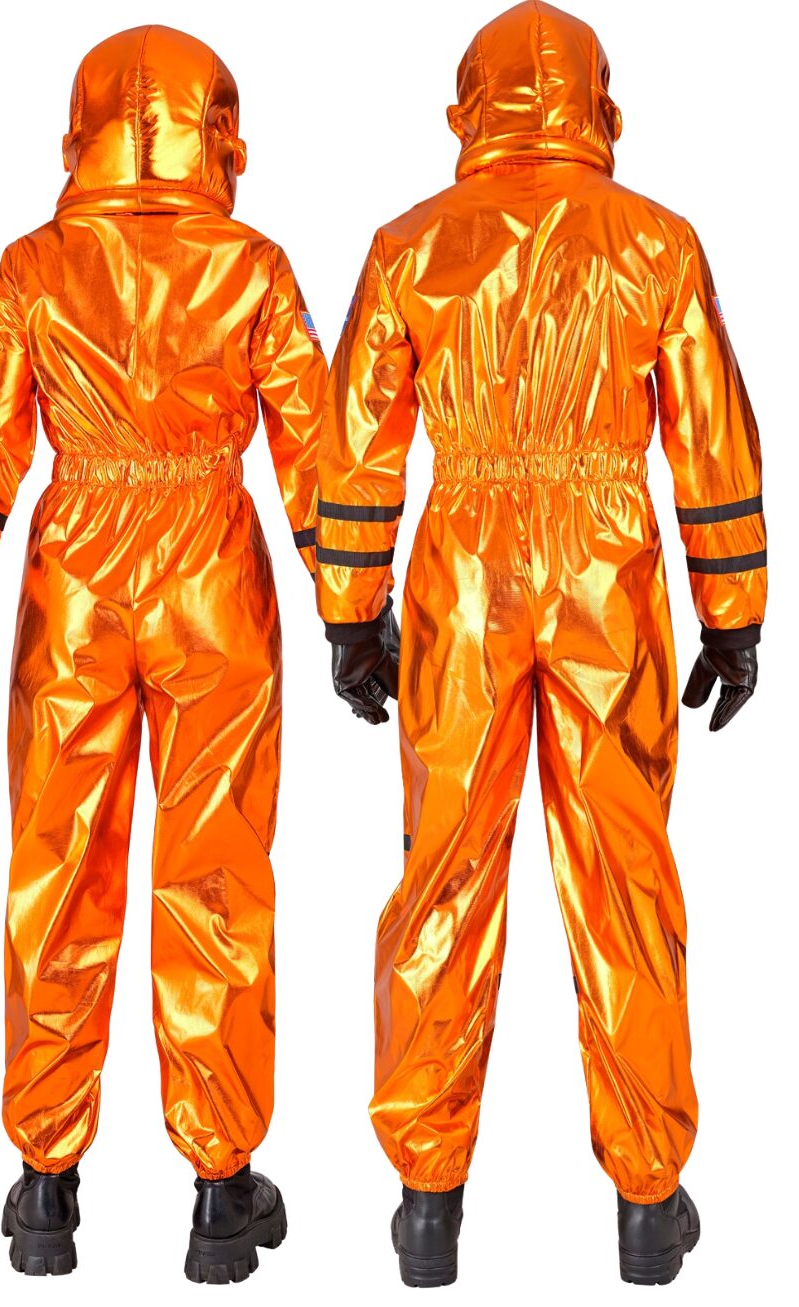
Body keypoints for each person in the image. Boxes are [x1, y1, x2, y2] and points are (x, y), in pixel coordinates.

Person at [316, 0, 764, 1287]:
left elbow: (358, 442)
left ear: (469, 104)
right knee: (625, 875)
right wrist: (733, 613)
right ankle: (647, 1202)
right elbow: (712, 436)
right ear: (600, 102)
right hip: (606, 570)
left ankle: (427, 1204)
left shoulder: (409, 244)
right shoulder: (658, 240)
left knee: (444, 874)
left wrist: (351, 610)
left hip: (462, 565)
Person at [0, 25, 325, 1281]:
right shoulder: (252, 265)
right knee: (217, 872)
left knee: (58, 864)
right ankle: (221, 1188)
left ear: (79, 129)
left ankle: (45, 1185)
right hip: (211, 573)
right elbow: (315, 444)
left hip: (76, 576)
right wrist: (355, 605)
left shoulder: (33, 266)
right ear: (218, 127)